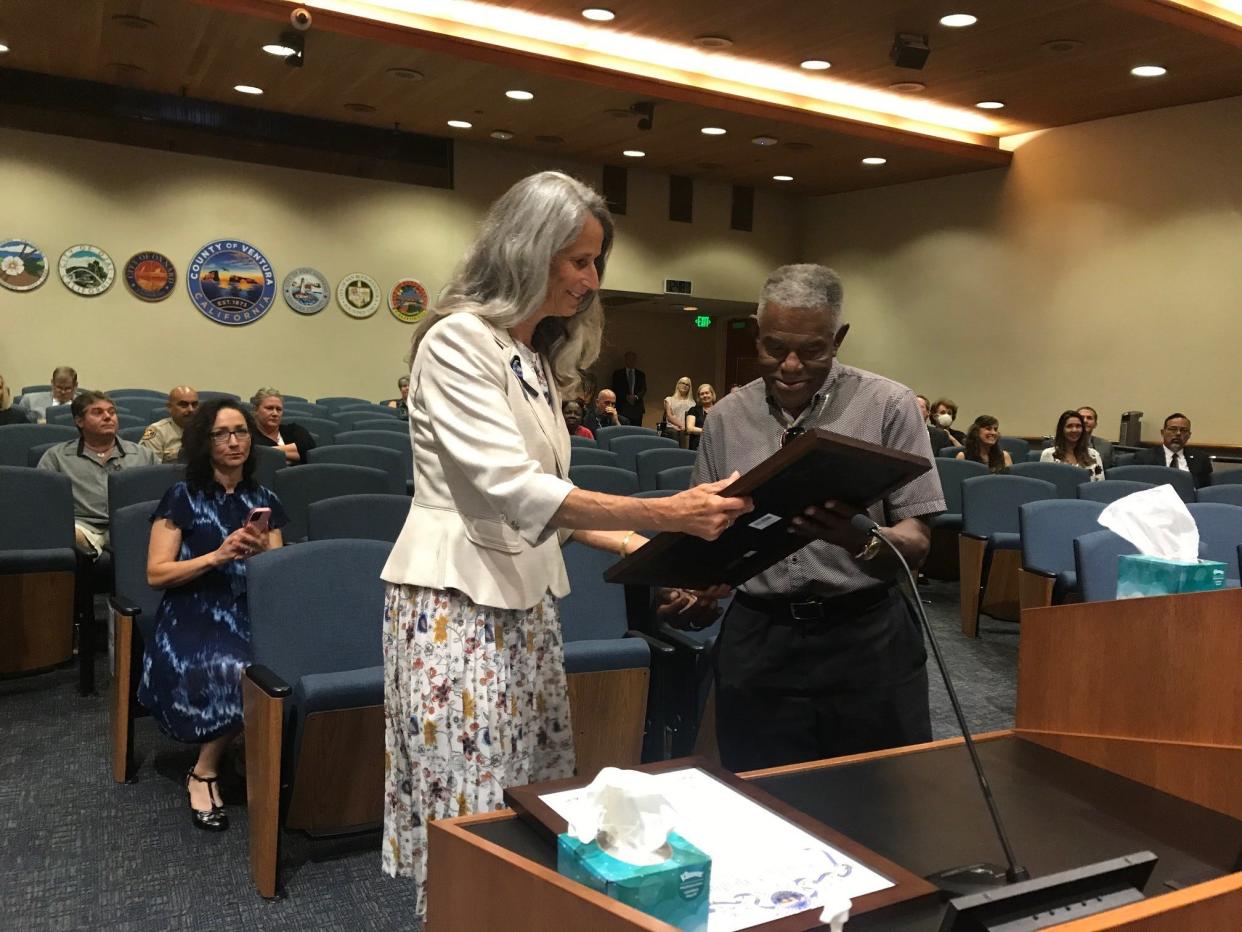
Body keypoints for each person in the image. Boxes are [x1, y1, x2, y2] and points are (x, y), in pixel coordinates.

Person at [379, 170, 750, 915]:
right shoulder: (458, 342)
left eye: (595, 263)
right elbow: (507, 487)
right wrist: (664, 513)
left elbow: (549, 506)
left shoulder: (534, 359)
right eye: (577, 260)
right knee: (472, 801)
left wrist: (631, 544)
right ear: (528, 249)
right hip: (457, 608)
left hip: (523, 604)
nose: (589, 278)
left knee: (529, 788)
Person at [692, 263, 944, 773]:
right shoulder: (725, 418)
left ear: (839, 337)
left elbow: (917, 543)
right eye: (773, 347)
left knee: (883, 799)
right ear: (756, 333)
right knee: (762, 799)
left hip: (866, 637)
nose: (789, 365)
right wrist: (695, 588)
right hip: (760, 641)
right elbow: (709, 537)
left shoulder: (887, 406)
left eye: (812, 350)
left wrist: (858, 537)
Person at [138, 399, 287, 832]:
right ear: (204, 442)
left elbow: (277, 570)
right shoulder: (181, 497)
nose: (235, 440)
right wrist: (216, 556)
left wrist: (263, 553)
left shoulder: (263, 499)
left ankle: (243, 751)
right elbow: (156, 573)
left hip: (250, 606)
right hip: (192, 611)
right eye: (222, 433)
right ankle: (204, 769)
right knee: (238, 669)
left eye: (241, 431)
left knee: (278, 665)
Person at [37, 391, 157, 556]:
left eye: (112, 412)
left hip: (133, 525)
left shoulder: (143, 455)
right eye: (98, 412)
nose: (108, 417)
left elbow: (163, 495)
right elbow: (43, 502)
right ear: (79, 421)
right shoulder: (57, 457)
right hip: (83, 527)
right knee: (61, 534)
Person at [1134, 413, 1212, 487]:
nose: (1178, 433)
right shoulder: (1144, 458)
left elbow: (1205, 490)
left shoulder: (1201, 459)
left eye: (1183, 430)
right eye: (1173, 429)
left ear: (1189, 435)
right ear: (1162, 432)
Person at [250, 388, 316, 464]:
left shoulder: (293, 430)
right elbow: (252, 456)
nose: (275, 413)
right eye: (269, 408)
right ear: (256, 410)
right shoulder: (249, 435)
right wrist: (295, 452)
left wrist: (267, 452)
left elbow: (309, 448)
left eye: (279, 409)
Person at [140, 385, 200, 463]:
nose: (191, 409)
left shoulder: (205, 429)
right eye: (184, 405)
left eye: (194, 404)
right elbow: (152, 469)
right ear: (169, 407)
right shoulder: (157, 431)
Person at [1040, 410, 1104, 480]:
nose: (1074, 430)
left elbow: (1099, 485)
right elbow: (1045, 485)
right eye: (1069, 426)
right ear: (1061, 430)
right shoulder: (1048, 454)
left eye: (1078, 426)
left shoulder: (1094, 455)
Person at [610, 350, 646, 426]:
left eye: (633, 359)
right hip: (622, 408)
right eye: (629, 359)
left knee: (637, 432)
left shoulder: (641, 374)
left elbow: (643, 389)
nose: (631, 361)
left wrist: (636, 397)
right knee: (623, 431)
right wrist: (626, 397)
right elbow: (615, 388)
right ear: (625, 359)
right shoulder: (618, 374)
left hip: (637, 408)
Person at [683, 383, 717, 451]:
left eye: (707, 393)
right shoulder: (693, 410)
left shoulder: (719, 410)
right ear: (699, 397)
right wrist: (708, 432)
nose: (705, 395)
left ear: (712, 394)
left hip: (716, 444)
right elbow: (689, 429)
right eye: (702, 394)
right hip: (698, 445)